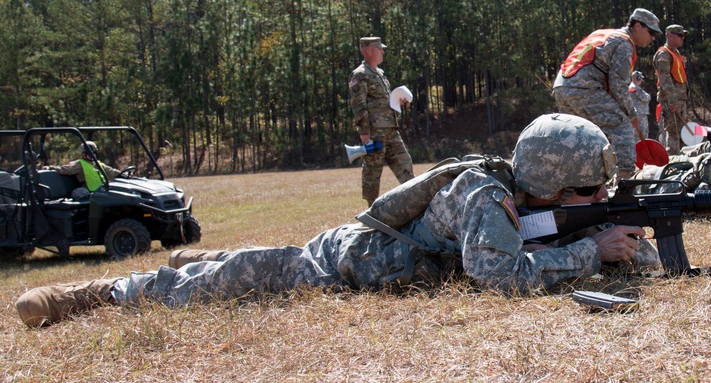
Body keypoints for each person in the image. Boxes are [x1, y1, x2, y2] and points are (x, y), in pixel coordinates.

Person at [15, 113, 655, 328]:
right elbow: (502, 275)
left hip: (369, 260)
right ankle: (105, 292)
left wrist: (626, 241)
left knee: (259, 262)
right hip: (348, 262)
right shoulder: (487, 196)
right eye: (589, 190)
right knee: (247, 277)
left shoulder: (537, 201)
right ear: (551, 183)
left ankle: (187, 261)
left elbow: (580, 236)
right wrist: (594, 252)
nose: (596, 198)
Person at [552, 8, 661, 178]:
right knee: (621, 125)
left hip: (562, 86)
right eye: (651, 32)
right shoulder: (624, 44)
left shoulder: (606, 34)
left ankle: (577, 184)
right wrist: (632, 115)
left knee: (583, 137)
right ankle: (625, 181)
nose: (653, 37)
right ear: (638, 26)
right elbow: (619, 86)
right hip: (584, 88)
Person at [349, 36, 415, 205]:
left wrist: (395, 102)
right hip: (375, 132)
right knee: (373, 173)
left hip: (391, 130)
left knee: (405, 164)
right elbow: (358, 105)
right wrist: (364, 132)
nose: (382, 51)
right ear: (369, 50)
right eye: (380, 48)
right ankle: (371, 212)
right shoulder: (360, 74)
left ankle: (415, 205)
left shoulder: (380, 74)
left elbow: (380, 101)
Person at [42, 141, 122, 199]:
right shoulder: (79, 164)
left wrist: (123, 174)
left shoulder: (98, 164)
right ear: (83, 154)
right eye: (90, 153)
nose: (93, 155)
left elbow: (111, 171)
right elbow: (66, 169)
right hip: (91, 194)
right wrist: (51, 168)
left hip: (103, 192)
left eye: (94, 153)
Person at [654, 24, 689, 155]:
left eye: (683, 36)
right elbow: (665, 78)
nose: (682, 38)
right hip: (672, 102)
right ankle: (673, 160)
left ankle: (680, 159)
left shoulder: (676, 53)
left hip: (680, 101)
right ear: (670, 36)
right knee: (673, 133)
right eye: (680, 35)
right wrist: (672, 100)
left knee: (681, 133)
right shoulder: (664, 54)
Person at [628, 71, 651, 140]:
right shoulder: (634, 87)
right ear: (637, 78)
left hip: (639, 113)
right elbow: (645, 98)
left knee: (643, 133)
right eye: (640, 78)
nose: (641, 80)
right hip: (639, 114)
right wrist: (648, 96)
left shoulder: (635, 87)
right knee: (641, 133)